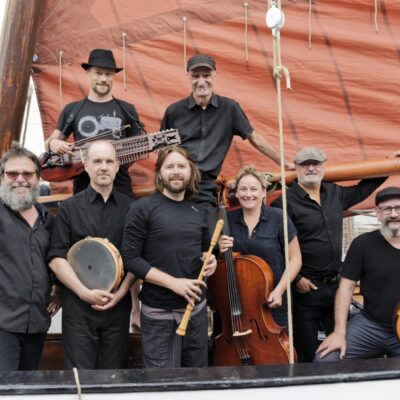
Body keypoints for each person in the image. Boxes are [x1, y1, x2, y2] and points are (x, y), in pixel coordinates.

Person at [270, 146, 386, 362]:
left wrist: (388, 164)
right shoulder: (284, 202)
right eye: (305, 164)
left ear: (324, 166)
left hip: (334, 287)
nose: (311, 168)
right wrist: (297, 279)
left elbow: (363, 189)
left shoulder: (335, 193)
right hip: (305, 289)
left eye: (316, 163)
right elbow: (276, 247)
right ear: (296, 168)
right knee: (305, 348)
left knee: (338, 345)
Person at [160, 54, 293, 226]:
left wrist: (284, 163)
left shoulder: (229, 108)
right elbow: (163, 152)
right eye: (195, 76)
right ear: (188, 77)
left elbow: (254, 138)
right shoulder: (174, 111)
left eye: (206, 75)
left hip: (205, 188)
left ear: (215, 75)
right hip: (174, 184)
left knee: (203, 237)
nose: (201, 81)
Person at [121, 146, 217, 368]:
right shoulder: (142, 208)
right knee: (160, 382)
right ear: (159, 172)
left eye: (182, 166)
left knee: (196, 379)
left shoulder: (199, 210)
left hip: (196, 311)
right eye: (170, 166)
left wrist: (209, 260)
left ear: (191, 171)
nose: (176, 171)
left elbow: (204, 252)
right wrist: (174, 284)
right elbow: (131, 258)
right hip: (158, 314)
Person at [48, 141, 135, 369]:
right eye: (97, 161)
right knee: (79, 378)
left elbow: (137, 259)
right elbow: (56, 257)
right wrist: (84, 292)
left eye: (109, 161)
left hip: (117, 305)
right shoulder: (69, 207)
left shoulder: (132, 208)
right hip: (78, 307)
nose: (103, 167)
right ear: (86, 166)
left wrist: (121, 294)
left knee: (112, 378)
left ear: (117, 166)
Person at [315, 187, 400, 361]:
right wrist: (339, 332)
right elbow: (345, 289)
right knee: (325, 361)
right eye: (387, 209)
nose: (393, 214)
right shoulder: (363, 244)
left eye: (398, 208)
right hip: (371, 325)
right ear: (377, 213)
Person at [44, 48, 144, 197]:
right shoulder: (72, 109)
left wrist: (116, 165)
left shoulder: (127, 109)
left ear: (113, 77)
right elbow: (50, 143)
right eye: (98, 73)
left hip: (120, 188)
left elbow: (140, 148)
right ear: (88, 73)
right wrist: (53, 144)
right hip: (83, 188)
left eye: (108, 74)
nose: (103, 79)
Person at [0, 142, 60, 371]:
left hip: (36, 324)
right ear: (2, 177)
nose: (20, 179)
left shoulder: (48, 220)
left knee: (27, 390)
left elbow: (54, 260)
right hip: (3, 325)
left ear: (38, 178)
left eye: (27, 173)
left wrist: (60, 289)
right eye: (12, 173)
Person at [218, 167, 302, 327]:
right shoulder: (226, 219)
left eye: (253, 189)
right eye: (243, 189)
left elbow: (296, 259)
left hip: (272, 299)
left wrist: (279, 290)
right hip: (236, 302)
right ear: (236, 194)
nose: (248, 194)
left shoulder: (278, 217)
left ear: (264, 192)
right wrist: (222, 253)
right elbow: (220, 263)